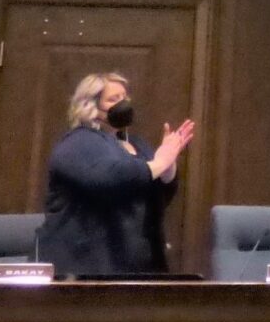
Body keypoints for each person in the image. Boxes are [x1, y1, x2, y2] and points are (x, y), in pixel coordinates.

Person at [36, 71, 193, 276]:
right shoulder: (77, 142)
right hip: (87, 268)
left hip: (139, 268)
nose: (123, 104)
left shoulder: (137, 144)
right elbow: (110, 178)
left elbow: (157, 191)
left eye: (125, 98)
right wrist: (159, 162)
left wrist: (168, 164)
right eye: (113, 99)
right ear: (90, 105)